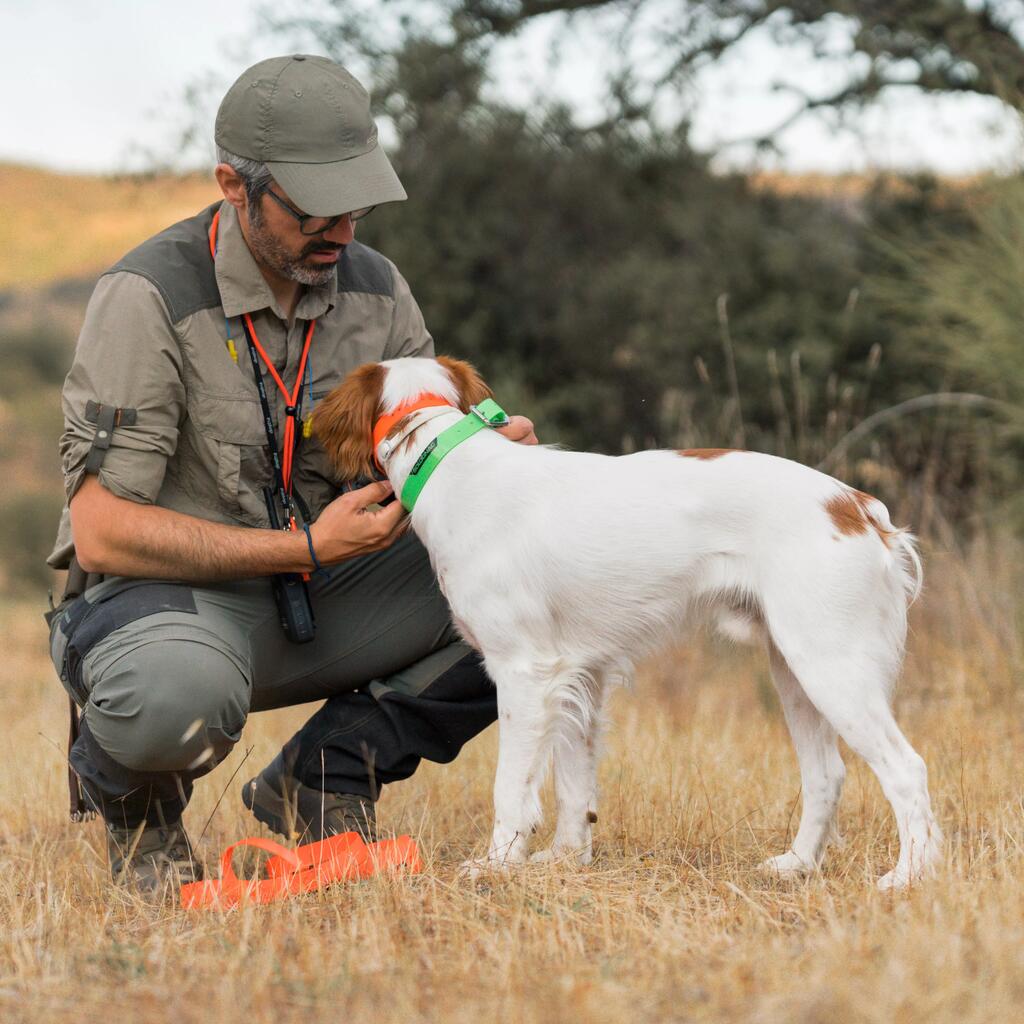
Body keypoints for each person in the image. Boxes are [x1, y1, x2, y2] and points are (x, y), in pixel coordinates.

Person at [45, 54, 537, 894]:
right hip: (175, 607)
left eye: (357, 204)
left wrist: (487, 463)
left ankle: (328, 775)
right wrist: (305, 544)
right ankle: (137, 810)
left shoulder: (378, 290)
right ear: (233, 186)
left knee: (540, 581)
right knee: (172, 700)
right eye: (315, 208)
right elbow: (100, 528)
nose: (344, 232)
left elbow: (426, 450)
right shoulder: (146, 295)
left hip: (336, 590)